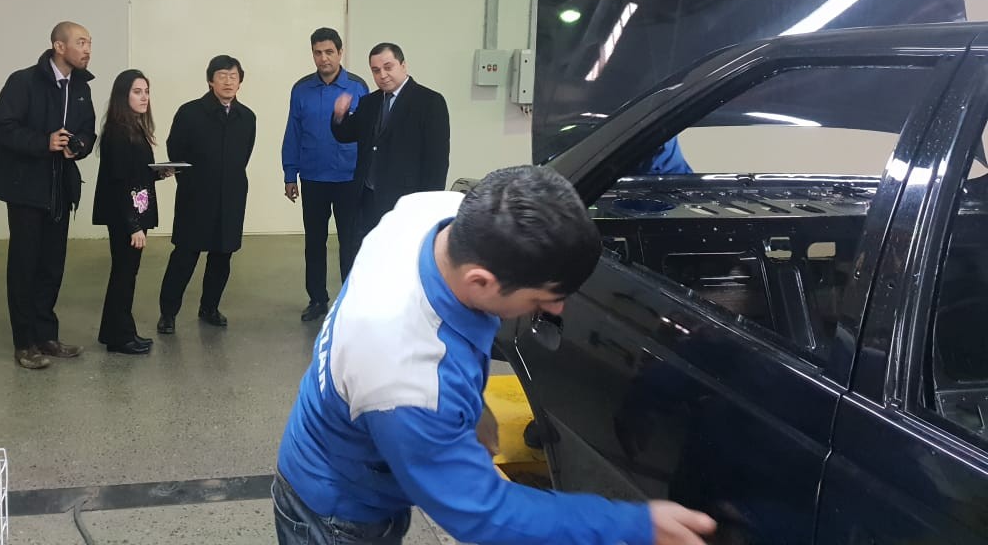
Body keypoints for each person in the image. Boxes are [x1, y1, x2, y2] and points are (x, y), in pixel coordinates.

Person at [272, 165, 718, 545]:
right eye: (542, 298)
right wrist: (634, 524)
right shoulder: (408, 381)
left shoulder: (431, 214)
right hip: (336, 513)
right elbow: (481, 513)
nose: (557, 310)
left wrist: (472, 407)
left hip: (353, 441)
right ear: (481, 281)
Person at [0, 21, 96, 370]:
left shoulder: (81, 87)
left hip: (61, 187)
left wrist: (78, 146)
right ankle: (24, 343)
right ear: (59, 46)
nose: (87, 49)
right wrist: (43, 142)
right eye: (81, 42)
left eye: (89, 43)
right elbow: (1, 127)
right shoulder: (23, 82)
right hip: (26, 188)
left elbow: (88, 131)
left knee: (52, 264)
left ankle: (46, 335)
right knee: (25, 265)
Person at [157, 55, 256, 333]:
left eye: (233, 76)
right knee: (185, 255)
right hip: (196, 196)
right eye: (222, 75)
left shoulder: (247, 117)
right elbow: (176, 151)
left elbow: (244, 155)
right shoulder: (190, 113)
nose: (228, 81)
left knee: (222, 255)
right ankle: (168, 313)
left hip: (231, 196)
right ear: (210, 80)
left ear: (240, 81)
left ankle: (210, 307)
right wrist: (191, 182)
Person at [331, 42, 449, 266]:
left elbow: (437, 161)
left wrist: (428, 206)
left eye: (388, 67)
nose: (382, 75)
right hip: (367, 198)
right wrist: (339, 115)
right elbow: (346, 134)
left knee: (398, 261)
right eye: (376, 70)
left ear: (403, 65)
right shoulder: (369, 102)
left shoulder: (430, 102)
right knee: (366, 258)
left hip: (405, 200)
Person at [282, 27, 370, 323]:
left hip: (349, 178)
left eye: (329, 52)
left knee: (350, 242)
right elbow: (293, 132)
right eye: (318, 53)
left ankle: (351, 300)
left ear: (340, 52)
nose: (324, 58)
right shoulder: (301, 89)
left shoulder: (357, 87)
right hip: (313, 177)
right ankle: (317, 299)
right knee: (314, 241)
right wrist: (290, 173)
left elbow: (367, 134)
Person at [92, 69, 168, 355]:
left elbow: (136, 174)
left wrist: (159, 173)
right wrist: (133, 225)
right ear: (123, 96)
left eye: (146, 91)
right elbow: (119, 182)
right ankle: (119, 337)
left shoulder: (134, 129)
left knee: (127, 273)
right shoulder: (118, 133)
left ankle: (118, 331)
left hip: (134, 211)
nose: (144, 97)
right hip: (126, 216)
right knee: (124, 274)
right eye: (137, 92)